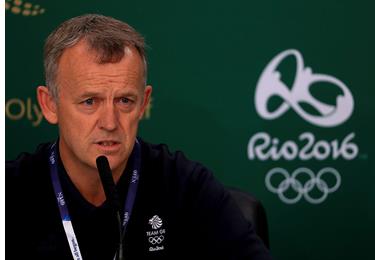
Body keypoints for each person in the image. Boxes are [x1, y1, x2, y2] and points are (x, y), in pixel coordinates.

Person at [6, 14, 272, 260]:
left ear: (143, 103)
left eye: (124, 100)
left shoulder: (185, 186)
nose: (109, 123)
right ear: (50, 104)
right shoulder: (10, 193)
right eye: (89, 102)